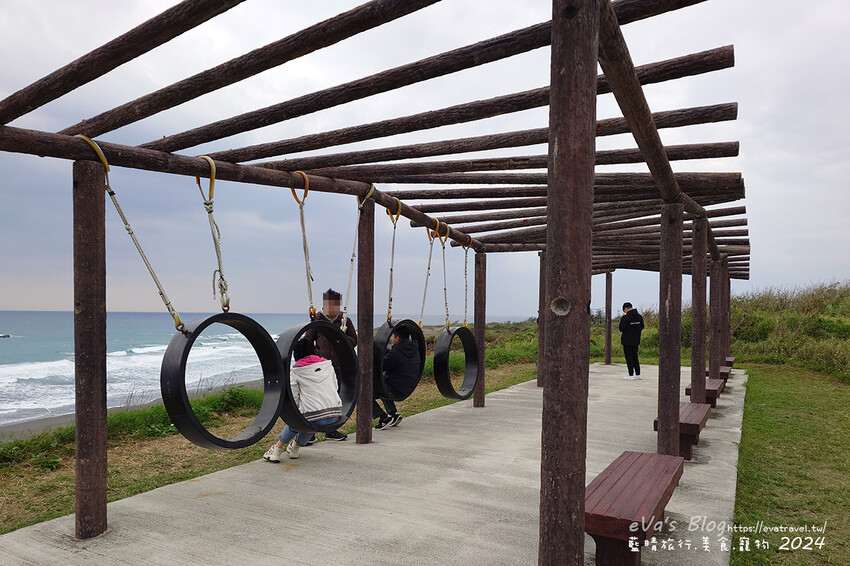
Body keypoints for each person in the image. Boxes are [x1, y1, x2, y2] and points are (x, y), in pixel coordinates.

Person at [263, 340, 342, 461]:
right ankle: (295, 447)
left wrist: (301, 410)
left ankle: (277, 449)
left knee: (299, 420)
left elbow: (294, 397)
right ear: (313, 350)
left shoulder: (296, 371)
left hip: (314, 417)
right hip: (335, 414)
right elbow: (335, 387)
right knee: (311, 418)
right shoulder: (327, 365)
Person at [302, 288, 357, 441]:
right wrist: (316, 354)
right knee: (317, 399)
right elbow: (307, 340)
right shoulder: (317, 320)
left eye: (335, 306)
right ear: (325, 305)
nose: (332, 309)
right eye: (330, 305)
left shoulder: (345, 320)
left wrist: (343, 343)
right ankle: (310, 432)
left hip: (338, 365)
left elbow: (354, 339)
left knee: (335, 399)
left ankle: (332, 430)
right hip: (321, 367)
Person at [373, 325, 421, 430]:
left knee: (363, 393)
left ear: (397, 339)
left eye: (393, 337)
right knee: (384, 384)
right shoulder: (413, 349)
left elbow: (381, 367)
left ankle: (383, 417)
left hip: (396, 389)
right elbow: (396, 360)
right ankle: (393, 414)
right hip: (408, 387)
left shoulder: (396, 353)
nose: (392, 339)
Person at [619, 302, 645, 380]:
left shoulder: (625, 318)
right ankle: (638, 374)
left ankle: (630, 375)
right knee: (635, 357)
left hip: (627, 341)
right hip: (636, 340)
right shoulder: (639, 317)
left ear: (626, 308)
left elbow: (621, 328)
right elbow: (642, 326)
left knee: (629, 357)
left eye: (624, 310)